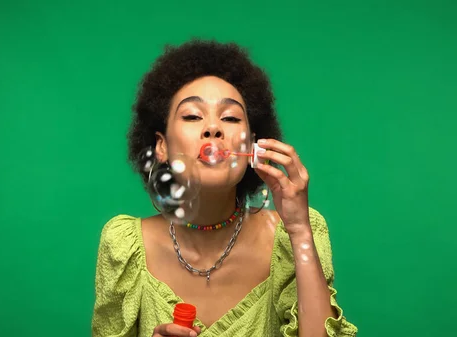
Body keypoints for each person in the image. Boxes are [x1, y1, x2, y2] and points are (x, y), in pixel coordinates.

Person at [91, 39, 358, 337]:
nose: (213, 128)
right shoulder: (123, 246)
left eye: (230, 118)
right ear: (161, 147)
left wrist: (298, 231)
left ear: (252, 146)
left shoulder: (295, 237)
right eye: (192, 115)